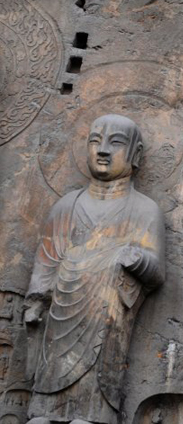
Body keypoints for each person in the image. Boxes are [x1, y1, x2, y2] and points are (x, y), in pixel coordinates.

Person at [24, 115, 165, 424]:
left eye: (115, 143)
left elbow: (156, 274)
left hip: (107, 320)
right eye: (94, 141)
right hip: (60, 321)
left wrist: (133, 257)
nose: (102, 150)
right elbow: (47, 259)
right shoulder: (67, 205)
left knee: (87, 417)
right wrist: (35, 300)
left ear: (135, 154)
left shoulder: (143, 209)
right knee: (39, 417)